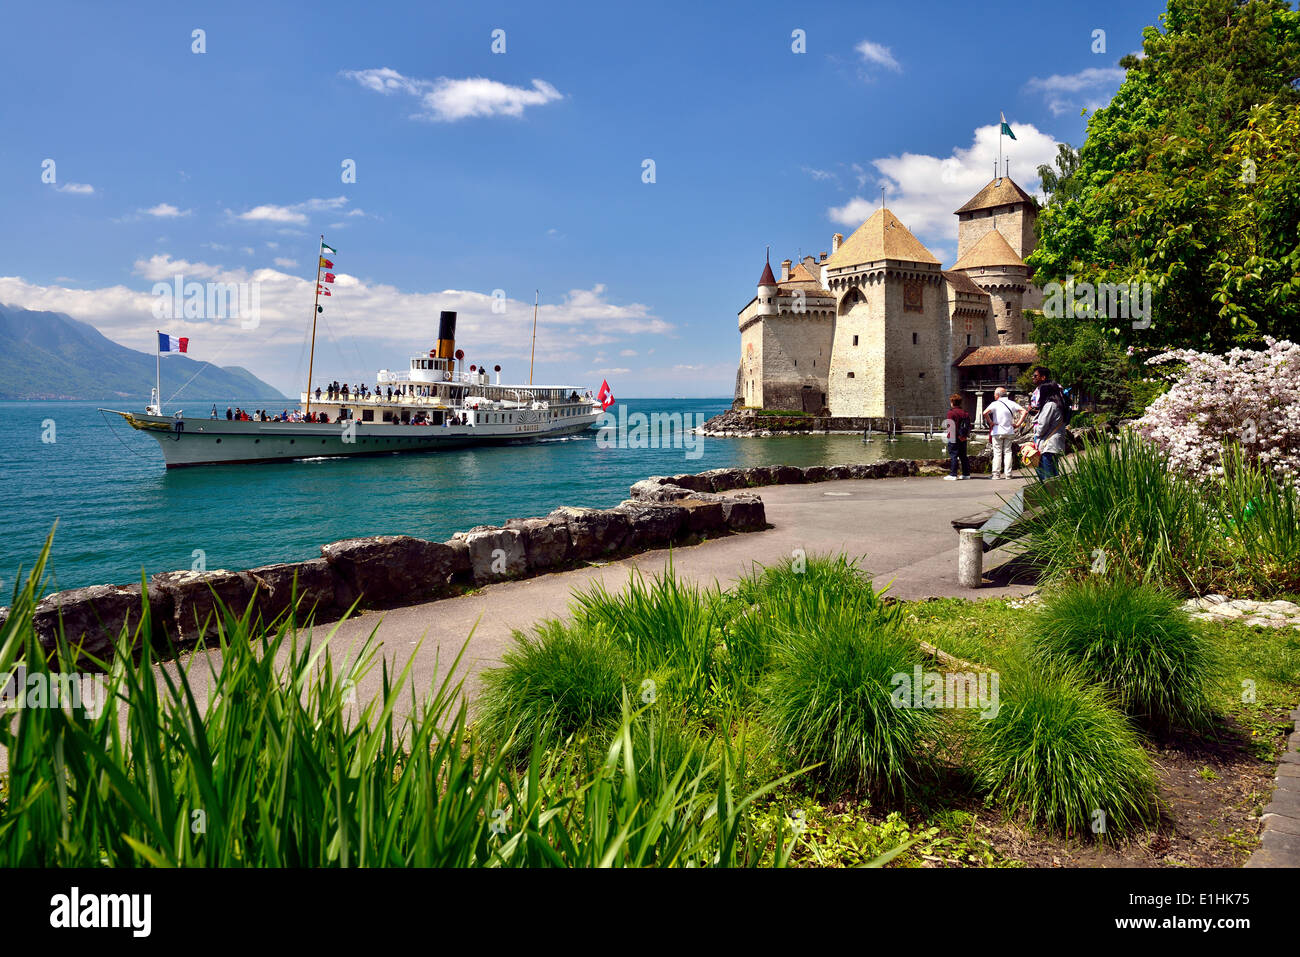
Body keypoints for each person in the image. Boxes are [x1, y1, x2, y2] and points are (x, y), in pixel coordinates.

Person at [982, 387, 1023, 480]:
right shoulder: (1012, 403)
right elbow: (1024, 411)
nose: (994, 396)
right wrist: (1018, 424)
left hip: (997, 431)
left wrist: (991, 422)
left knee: (997, 453)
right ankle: (1008, 474)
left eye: (994, 394)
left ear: (997, 395)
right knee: (1008, 452)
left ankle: (996, 474)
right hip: (1009, 430)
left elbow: (985, 413)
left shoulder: (994, 404)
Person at [1033, 382, 1069, 480]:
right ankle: (1056, 494)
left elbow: (1042, 426)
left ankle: (1051, 494)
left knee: (1047, 476)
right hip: (1055, 443)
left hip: (1048, 445)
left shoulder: (1050, 405)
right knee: (1054, 474)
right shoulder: (1060, 404)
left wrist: (1036, 430)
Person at [943, 393, 972, 481]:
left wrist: (952, 437)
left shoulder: (951, 413)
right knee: (963, 456)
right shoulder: (965, 413)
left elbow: (951, 426)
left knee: (953, 455)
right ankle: (966, 474)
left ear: (952, 402)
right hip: (963, 437)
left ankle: (953, 474)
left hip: (954, 437)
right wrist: (964, 435)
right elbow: (968, 426)